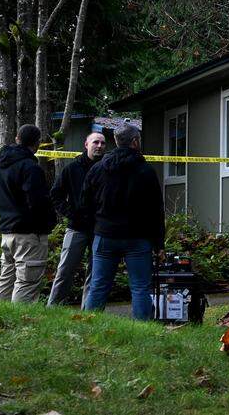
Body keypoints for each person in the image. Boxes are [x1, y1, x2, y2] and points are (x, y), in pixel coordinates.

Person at [80, 124, 165, 320]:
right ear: (135, 142)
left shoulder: (98, 169)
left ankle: (88, 326)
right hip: (138, 237)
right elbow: (156, 210)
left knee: (98, 285)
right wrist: (159, 243)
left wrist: (94, 228)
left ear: (116, 142)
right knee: (140, 287)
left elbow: (85, 203)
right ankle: (142, 330)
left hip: (105, 234)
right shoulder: (146, 171)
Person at [0, 124, 55, 303]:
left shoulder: (1, 166)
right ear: (37, 143)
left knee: (6, 279)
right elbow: (38, 202)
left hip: (7, 231)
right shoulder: (30, 167)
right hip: (29, 234)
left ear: (17, 139)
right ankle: (20, 320)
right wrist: (48, 222)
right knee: (27, 283)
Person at [46, 131, 106, 306]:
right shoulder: (72, 169)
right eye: (95, 142)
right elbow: (55, 194)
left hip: (100, 229)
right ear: (86, 145)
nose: (99, 146)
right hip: (76, 227)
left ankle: (90, 311)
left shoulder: (109, 168)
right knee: (65, 269)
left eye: (102, 143)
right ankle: (54, 307)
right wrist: (70, 213)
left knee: (95, 273)